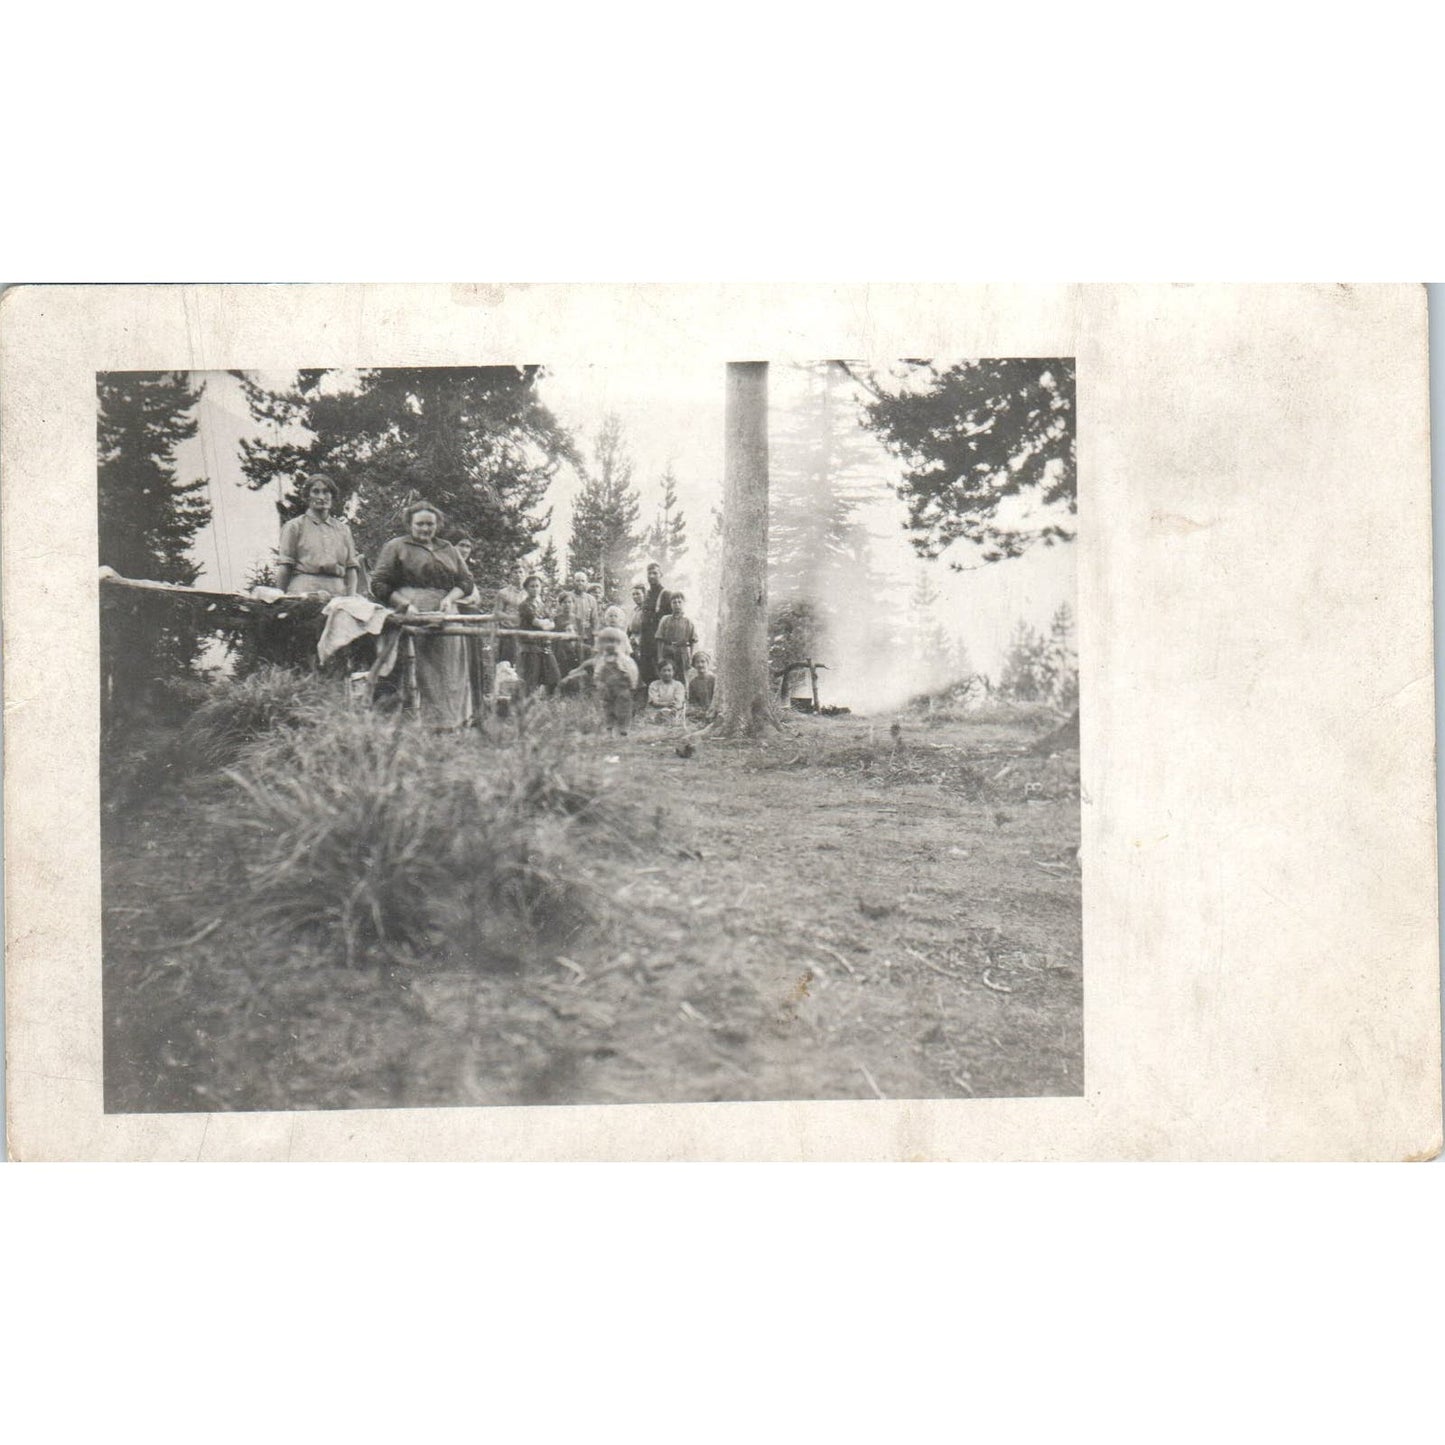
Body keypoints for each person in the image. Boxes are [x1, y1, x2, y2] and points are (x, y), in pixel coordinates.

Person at [370, 502, 474, 729]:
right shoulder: (396, 546)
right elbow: (378, 583)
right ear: (410, 524)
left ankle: (450, 724)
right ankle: (418, 725)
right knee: (418, 670)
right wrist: (404, 604)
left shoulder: (448, 548)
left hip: (446, 613)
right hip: (412, 612)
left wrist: (450, 599)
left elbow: (466, 581)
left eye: (430, 524)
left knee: (450, 670)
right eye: (420, 524)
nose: (425, 529)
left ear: (437, 525)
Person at [276, 474, 360, 598]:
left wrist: (351, 598)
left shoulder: (343, 530)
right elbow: (285, 567)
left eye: (326, 492)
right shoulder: (294, 526)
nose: (321, 497)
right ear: (307, 496)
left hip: (338, 595)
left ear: (332, 495)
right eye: (315, 492)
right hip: (303, 594)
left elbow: (351, 568)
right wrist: (279, 598)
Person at [559, 626, 638, 735]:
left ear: (619, 644)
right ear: (601, 644)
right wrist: (597, 682)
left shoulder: (623, 659)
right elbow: (598, 671)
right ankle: (609, 728)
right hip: (607, 688)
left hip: (622, 688)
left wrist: (632, 683)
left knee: (623, 708)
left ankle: (623, 727)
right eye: (606, 642)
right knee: (608, 707)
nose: (610, 645)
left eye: (613, 642)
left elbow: (632, 670)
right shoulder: (602, 659)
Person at [515, 574, 560, 696]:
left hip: (544, 644)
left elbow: (552, 624)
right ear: (526, 588)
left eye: (537, 586)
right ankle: (526, 703)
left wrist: (545, 624)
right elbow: (538, 623)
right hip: (530, 645)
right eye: (532, 586)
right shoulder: (524, 605)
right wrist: (544, 624)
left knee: (554, 676)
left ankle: (548, 702)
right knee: (531, 679)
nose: (535, 589)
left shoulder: (542, 605)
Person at [637, 562, 675, 686]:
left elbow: (672, 619)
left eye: (655, 573)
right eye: (649, 573)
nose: (652, 576)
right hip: (646, 641)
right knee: (646, 672)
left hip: (659, 642)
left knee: (660, 673)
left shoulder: (666, 594)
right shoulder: (647, 594)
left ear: (661, 575)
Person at [655, 591, 698, 684]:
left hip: (682, 652)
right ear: (670, 604)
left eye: (679, 602)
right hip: (668, 651)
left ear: (684, 603)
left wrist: (691, 657)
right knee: (668, 675)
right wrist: (660, 657)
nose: (677, 605)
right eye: (674, 602)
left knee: (683, 677)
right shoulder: (665, 619)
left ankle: (683, 693)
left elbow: (693, 640)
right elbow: (659, 638)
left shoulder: (688, 621)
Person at [494, 562, 528, 666]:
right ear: (511, 576)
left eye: (521, 572)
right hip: (509, 631)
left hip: (526, 631)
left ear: (525, 574)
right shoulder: (503, 592)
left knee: (526, 663)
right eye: (515, 572)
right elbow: (497, 612)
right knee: (507, 663)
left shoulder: (529, 592)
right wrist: (511, 618)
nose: (518, 575)